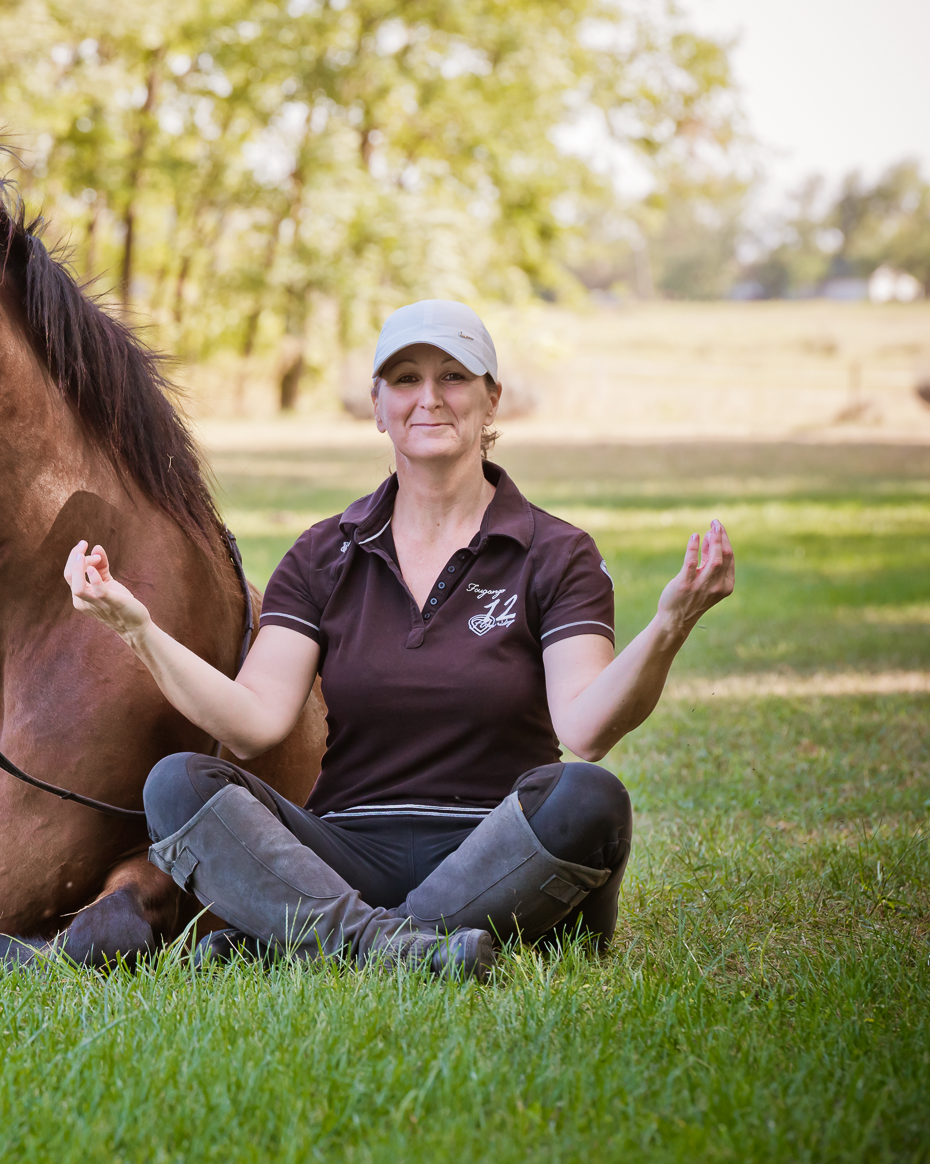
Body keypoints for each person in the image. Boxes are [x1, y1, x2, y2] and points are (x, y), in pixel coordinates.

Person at [63, 299, 736, 979]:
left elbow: (587, 728)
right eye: (406, 379)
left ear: (491, 399)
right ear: (379, 405)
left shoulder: (555, 553)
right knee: (177, 784)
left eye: (454, 377)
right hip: (348, 850)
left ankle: (312, 938)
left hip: (501, 847)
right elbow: (252, 726)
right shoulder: (324, 553)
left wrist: (671, 622)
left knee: (590, 795)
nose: (430, 399)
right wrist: (137, 628)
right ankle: (405, 951)